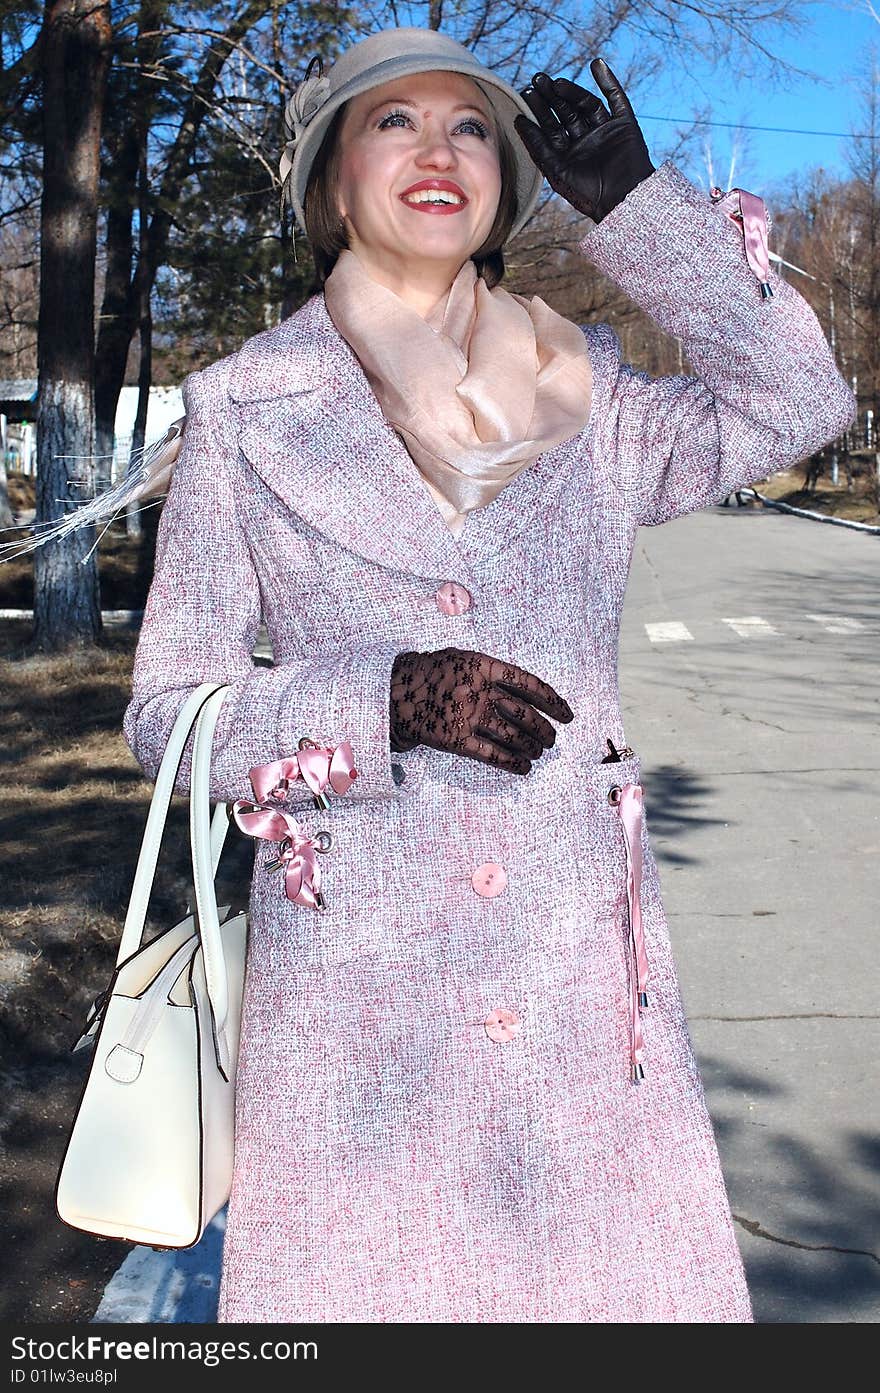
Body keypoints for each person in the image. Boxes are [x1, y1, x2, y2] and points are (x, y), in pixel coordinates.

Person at [122, 26, 854, 1322]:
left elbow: (797, 403)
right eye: (391, 122)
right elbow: (169, 708)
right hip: (360, 1012)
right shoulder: (243, 410)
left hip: (579, 985)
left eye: (469, 126)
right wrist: (381, 700)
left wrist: (641, 209)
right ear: (332, 185)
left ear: (506, 186)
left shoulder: (595, 395)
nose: (439, 147)